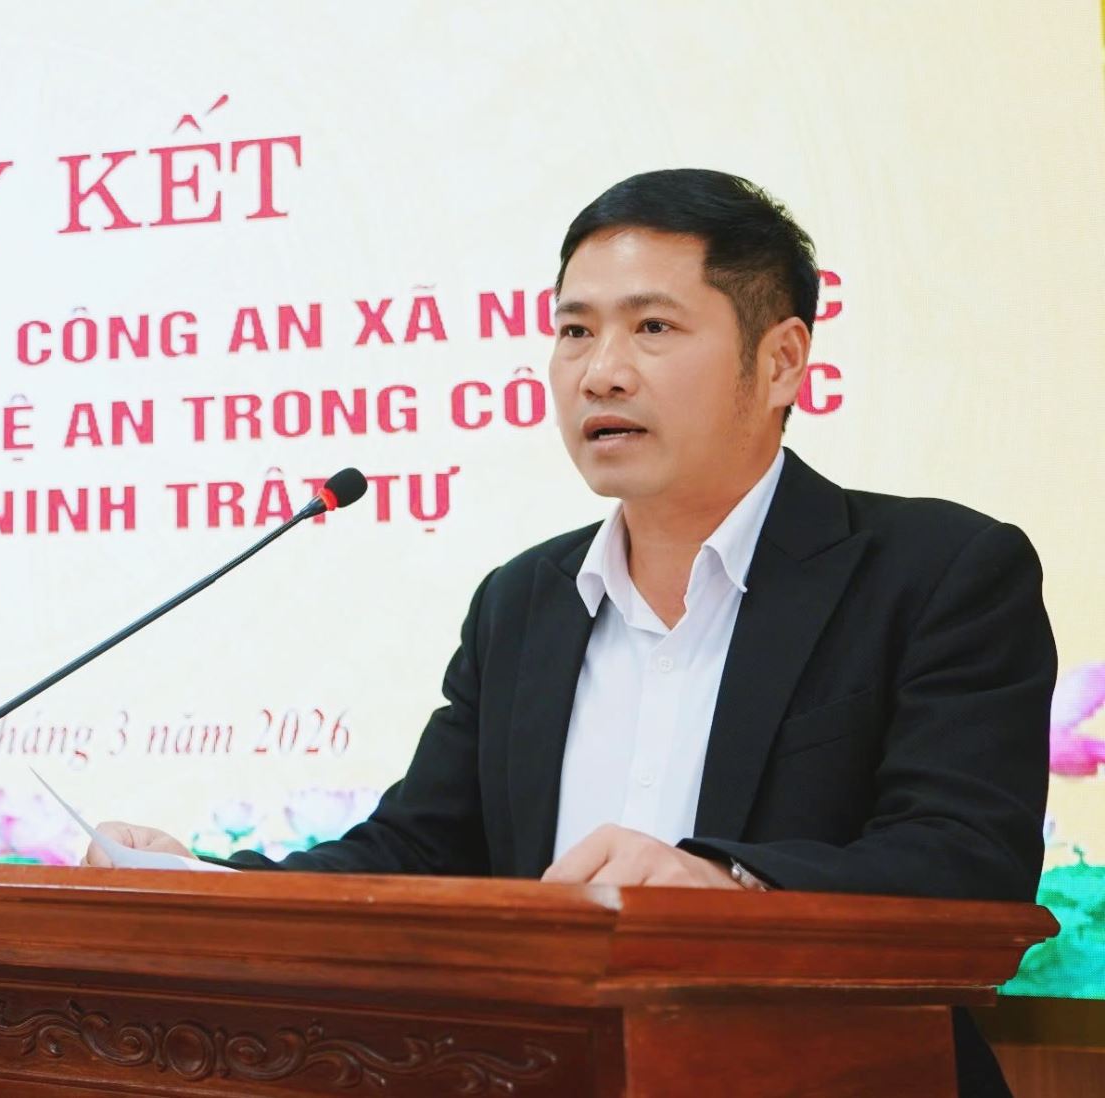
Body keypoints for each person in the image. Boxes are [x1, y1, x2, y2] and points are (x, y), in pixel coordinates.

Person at [83, 169, 1054, 1097]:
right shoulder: (523, 603)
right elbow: (418, 851)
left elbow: (968, 862)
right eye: (575, 331)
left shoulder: (936, 573)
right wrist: (199, 885)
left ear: (781, 360)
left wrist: (729, 886)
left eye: (653, 328)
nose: (601, 372)